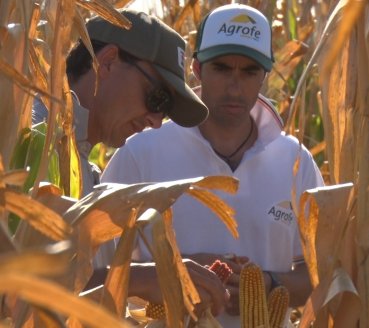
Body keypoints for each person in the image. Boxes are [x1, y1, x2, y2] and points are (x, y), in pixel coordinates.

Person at [101, 4, 324, 327]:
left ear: (265, 76)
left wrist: (270, 285)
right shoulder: (142, 152)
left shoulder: (295, 161)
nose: (235, 86)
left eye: (249, 71)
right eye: (221, 68)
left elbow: (320, 274)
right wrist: (168, 276)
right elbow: (92, 272)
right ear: (196, 70)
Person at [31, 9, 228, 317]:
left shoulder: (85, 170)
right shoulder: (27, 136)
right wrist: (137, 279)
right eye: (158, 99)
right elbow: (17, 285)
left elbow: (74, 288)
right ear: (108, 62)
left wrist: (160, 274)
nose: (156, 122)